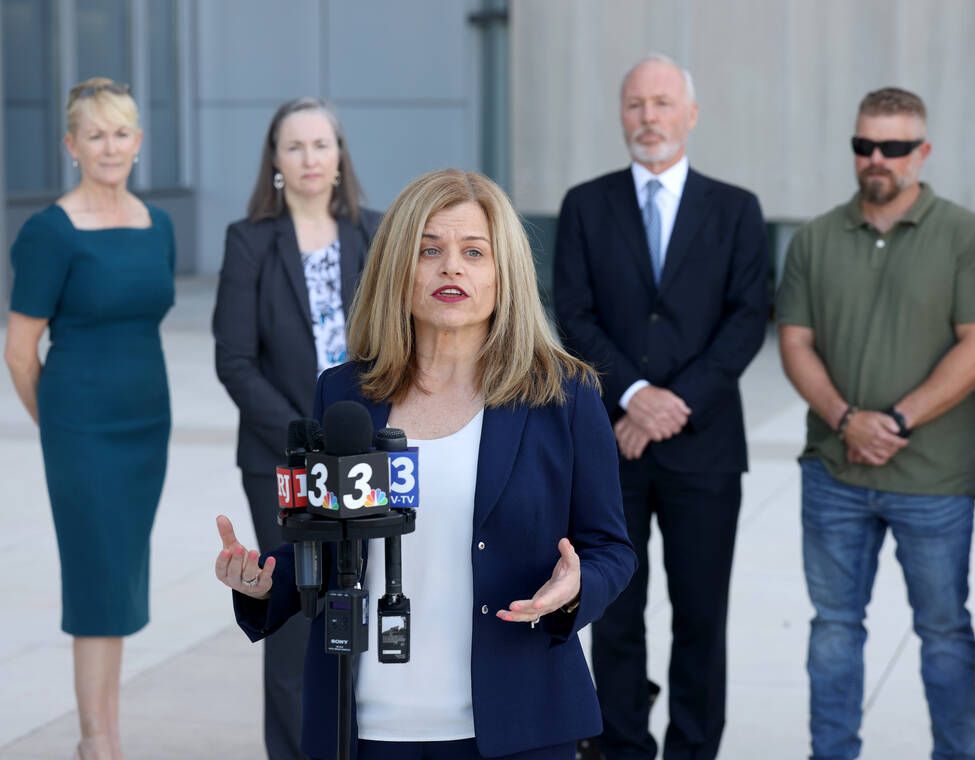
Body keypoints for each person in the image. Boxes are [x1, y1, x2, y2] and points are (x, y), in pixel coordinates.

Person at [213, 169, 636, 760]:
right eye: (429, 250)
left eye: (473, 252)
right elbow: (330, 543)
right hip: (364, 726)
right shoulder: (343, 396)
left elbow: (610, 548)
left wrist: (577, 584)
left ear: (503, 272)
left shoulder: (563, 396)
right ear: (397, 269)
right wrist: (265, 583)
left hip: (517, 725)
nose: (451, 268)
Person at [776, 87, 975, 760]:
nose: (876, 158)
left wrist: (896, 420)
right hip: (833, 475)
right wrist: (846, 419)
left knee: (943, 633)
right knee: (834, 631)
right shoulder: (815, 238)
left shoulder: (964, 234)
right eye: (864, 145)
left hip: (933, 479)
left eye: (894, 147)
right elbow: (794, 342)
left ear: (922, 152)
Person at [553, 54, 768, 760]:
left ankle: (694, 749)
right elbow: (574, 315)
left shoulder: (736, 208)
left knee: (702, 617)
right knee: (614, 613)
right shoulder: (585, 205)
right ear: (622, 115)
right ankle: (619, 747)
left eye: (663, 103)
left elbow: (747, 318)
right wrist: (636, 398)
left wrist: (675, 403)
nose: (649, 117)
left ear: (691, 114)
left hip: (703, 447)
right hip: (613, 443)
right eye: (636, 104)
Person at [3, 77, 175, 760]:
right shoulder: (49, 232)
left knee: (122, 579)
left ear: (139, 141)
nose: (110, 146)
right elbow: (19, 352)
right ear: (71, 145)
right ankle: (97, 741)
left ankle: (104, 730)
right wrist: (60, 431)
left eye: (122, 132)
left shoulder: (157, 225)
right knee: (97, 580)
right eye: (95, 134)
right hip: (81, 428)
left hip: (147, 423)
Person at [212, 95, 381, 760]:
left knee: (361, 602)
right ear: (275, 162)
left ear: (340, 158)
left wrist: (353, 436)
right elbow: (235, 359)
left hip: (365, 453)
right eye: (295, 146)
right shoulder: (249, 240)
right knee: (290, 608)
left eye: (322, 144)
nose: (310, 158)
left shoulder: (376, 232)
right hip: (281, 459)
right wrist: (305, 441)